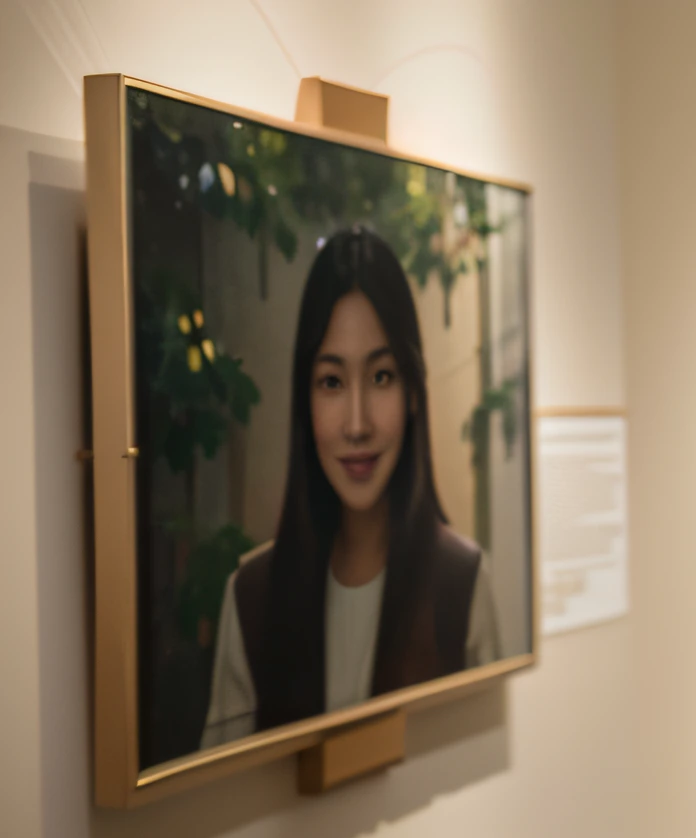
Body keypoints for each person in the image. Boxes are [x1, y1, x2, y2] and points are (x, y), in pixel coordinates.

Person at [201, 226, 501, 748]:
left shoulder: (463, 584)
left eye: (382, 376)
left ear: (412, 393)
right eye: (332, 382)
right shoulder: (250, 599)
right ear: (306, 399)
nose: (357, 423)